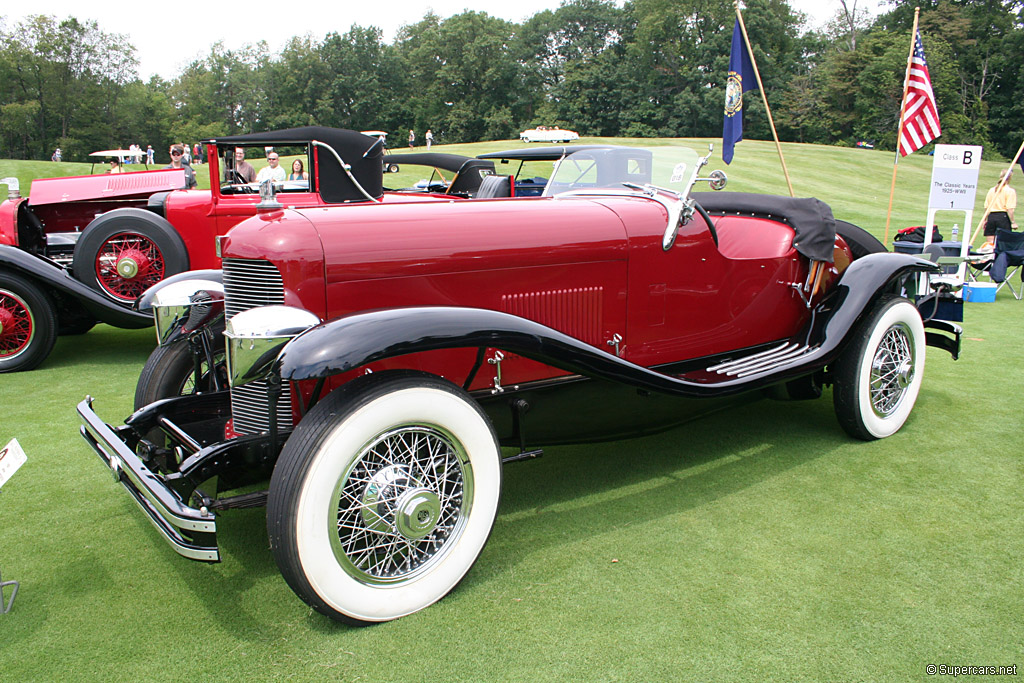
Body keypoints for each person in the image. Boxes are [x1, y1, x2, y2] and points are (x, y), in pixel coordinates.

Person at [980, 169, 1017, 252]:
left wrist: (984, 220)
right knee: (1003, 244)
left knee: (990, 244)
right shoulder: (1010, 191)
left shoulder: (991, 190)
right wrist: (1013, 222)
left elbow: (986, 207)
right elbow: (1010, 209)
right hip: (1002, 217)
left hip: (991, 216)